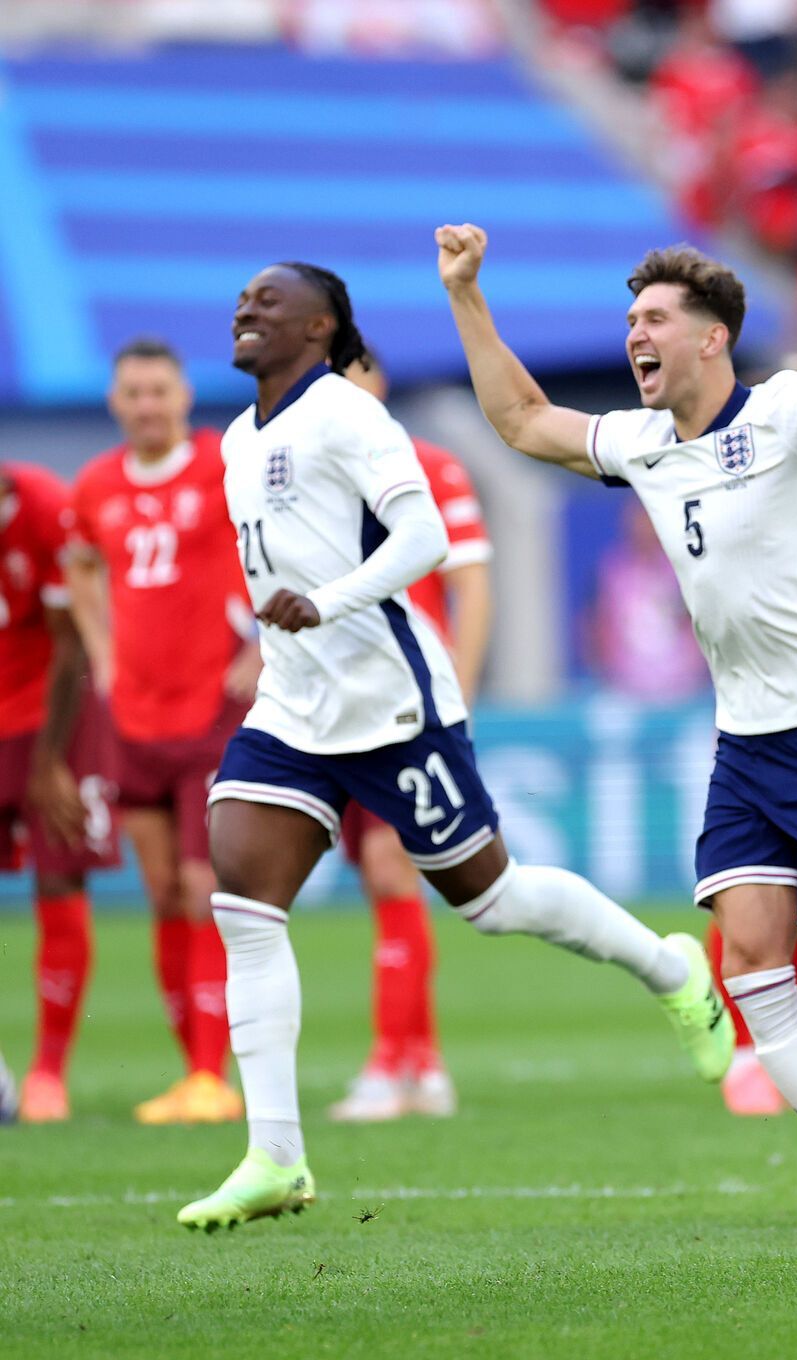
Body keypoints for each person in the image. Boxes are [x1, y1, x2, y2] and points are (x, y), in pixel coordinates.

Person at [437, 225, 797, 1245]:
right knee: (753, 971)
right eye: (629, 322)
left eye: (654, 319)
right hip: (743, 750)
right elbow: (526, 421)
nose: (635, 336)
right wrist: (465, 296)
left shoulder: (788, 410)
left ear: (711, 338)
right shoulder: (642, 442)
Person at [178, 262, 731, 1233]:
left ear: (319, 326)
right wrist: (262, 632)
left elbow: (424, 535)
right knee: (244, 899)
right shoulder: (235, 438)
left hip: (393, 705)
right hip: (293, 707)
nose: (245, 311)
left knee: (492, 898)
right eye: (241, 300)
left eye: (268, 302)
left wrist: (329, 600)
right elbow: (275, 562)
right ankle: (275, 1152)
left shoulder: (346, 414)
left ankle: (669, 967)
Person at [69, 338, 255, 1126]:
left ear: (184, 397)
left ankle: (213, 1075)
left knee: (201, 890)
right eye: (133, 393)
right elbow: (79, 564)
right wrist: (103, 655)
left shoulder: (222, 466)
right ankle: (191, 1074)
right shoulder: (96, 484)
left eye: (159, 391)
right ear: (116, 403)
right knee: (159, 896)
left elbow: (279, 546)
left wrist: (258, 647)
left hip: (208, 713)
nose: (147, 405)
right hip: (132, 718)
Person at [324, 352, 495, 1123]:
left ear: (375, 382)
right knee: (381, 882)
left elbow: (472, 585)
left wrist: (452, 695)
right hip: (336, 708)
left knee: (394, 873)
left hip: (408, 704)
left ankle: (392, 1065)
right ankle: (422, 1066)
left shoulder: (428, 466)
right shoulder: (311, 478)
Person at [3, 460, 121, 1123]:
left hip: (49, 720)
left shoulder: (45, 503)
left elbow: (70, 640)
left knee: (58, 881)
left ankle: (49, 1071)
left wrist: (48, 763)